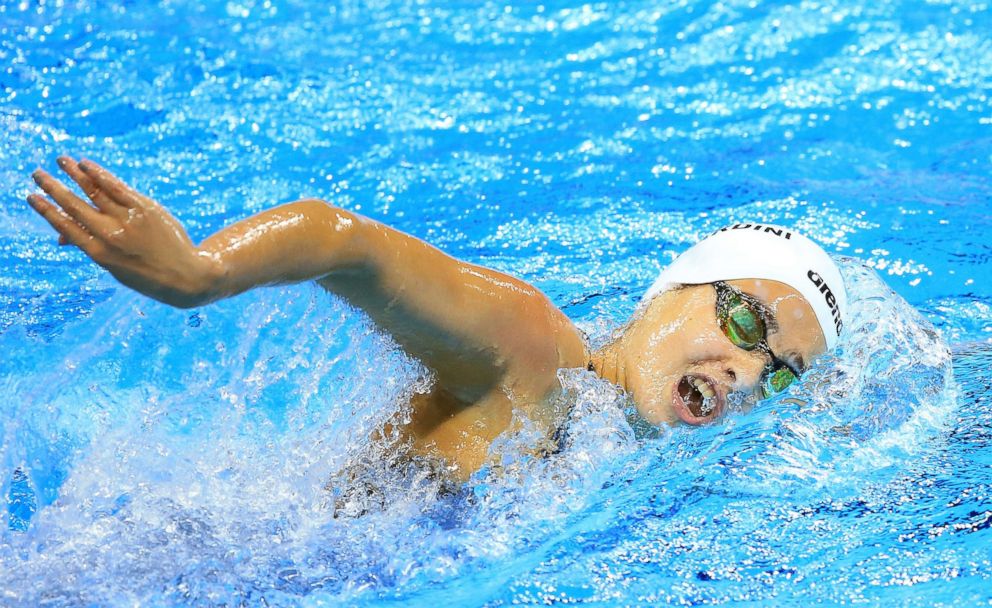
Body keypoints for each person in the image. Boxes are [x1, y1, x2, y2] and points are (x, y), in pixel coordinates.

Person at [26, 157, 848, 482]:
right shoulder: (537, 356)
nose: (748, 373)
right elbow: (341, 239)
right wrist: (197, 276)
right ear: (666, 294)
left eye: (779, 372)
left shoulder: (619, 456)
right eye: (746, 324)